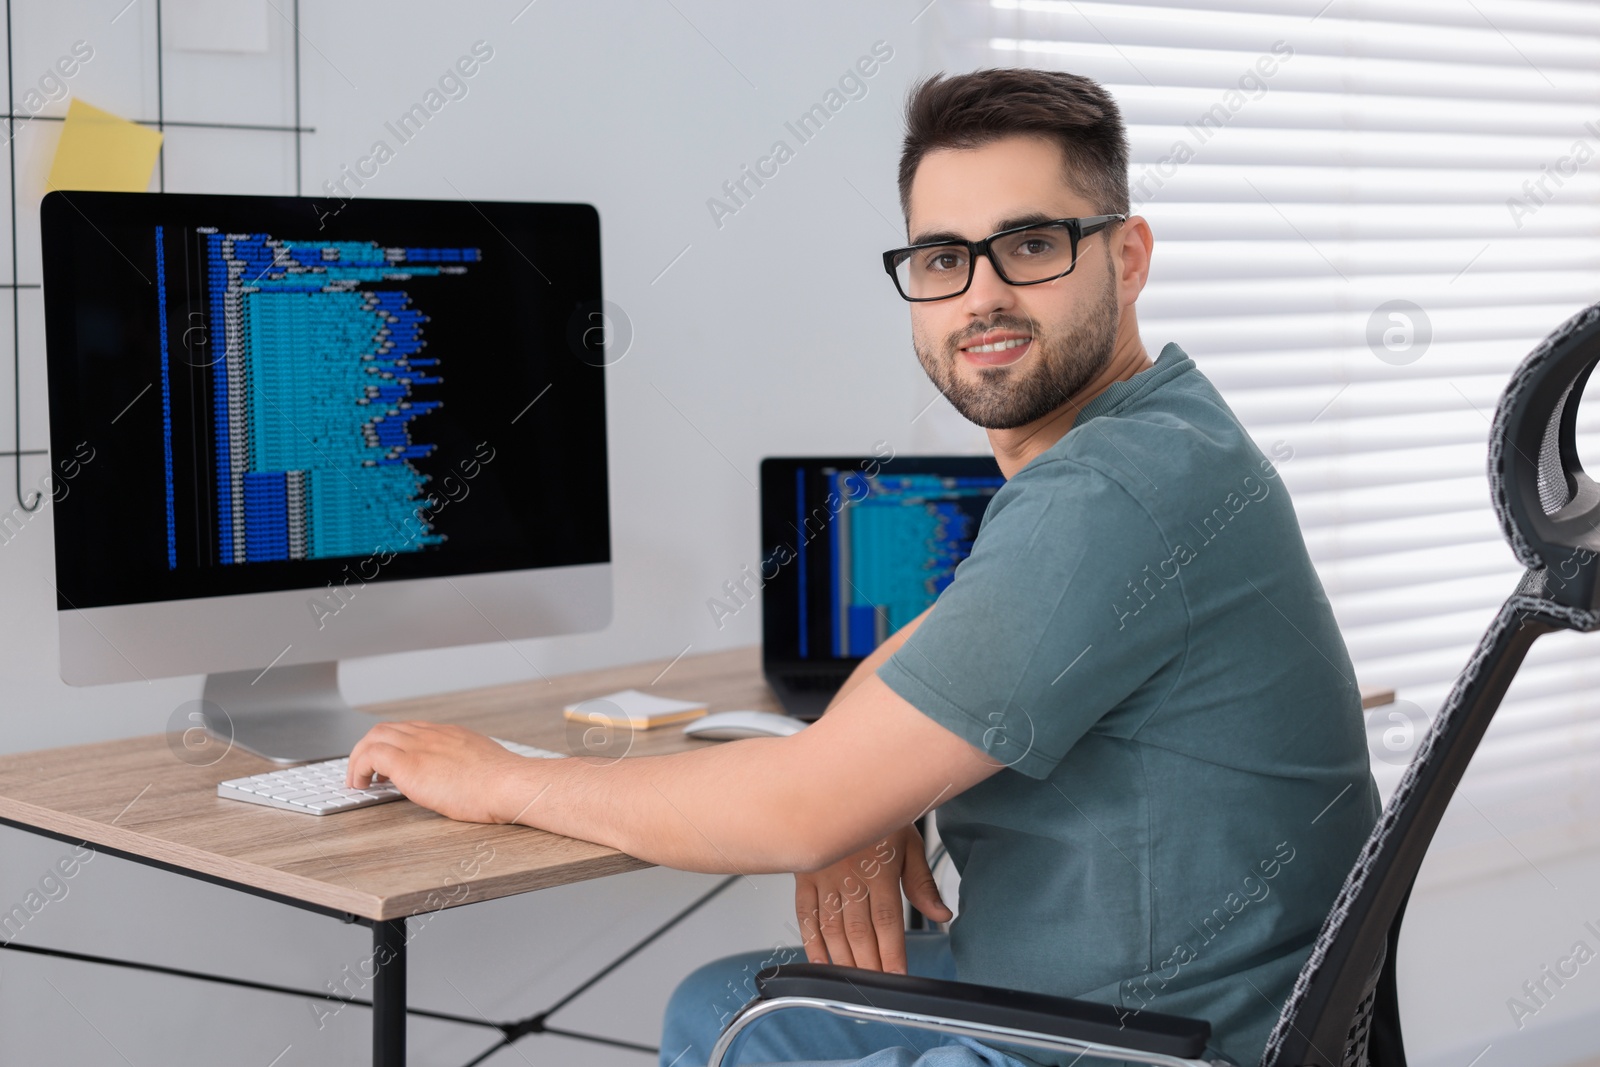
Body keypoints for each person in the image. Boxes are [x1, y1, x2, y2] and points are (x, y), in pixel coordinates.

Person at [344, 67, 1380, 1067]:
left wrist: (502, 777)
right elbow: (928, 651)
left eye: (1030, 244)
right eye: (941, 258)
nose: (982, 296)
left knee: (736, 1020)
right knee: (724, 1000)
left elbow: (797, 809)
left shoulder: (1106, 494)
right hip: (1139, 1005)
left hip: (1123, 1042)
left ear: (1127, 256)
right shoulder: (1163, 434)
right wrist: (865, 779)